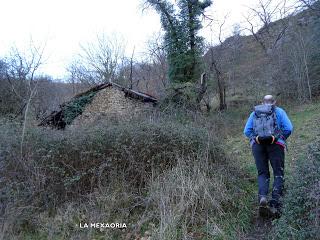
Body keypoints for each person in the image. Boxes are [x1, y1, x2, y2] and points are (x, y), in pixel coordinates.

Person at [243, 95, 293, 217]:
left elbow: (246, 131)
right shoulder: (279, 111)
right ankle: (275, 203)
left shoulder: (254, 113)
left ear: (262, 102)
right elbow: (289, 128)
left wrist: (255, 140)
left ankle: (263, 198)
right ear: (274, 102)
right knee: (278, 173)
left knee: (262, 173)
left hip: (258, 146)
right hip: (275, 145)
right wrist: (279, 138)